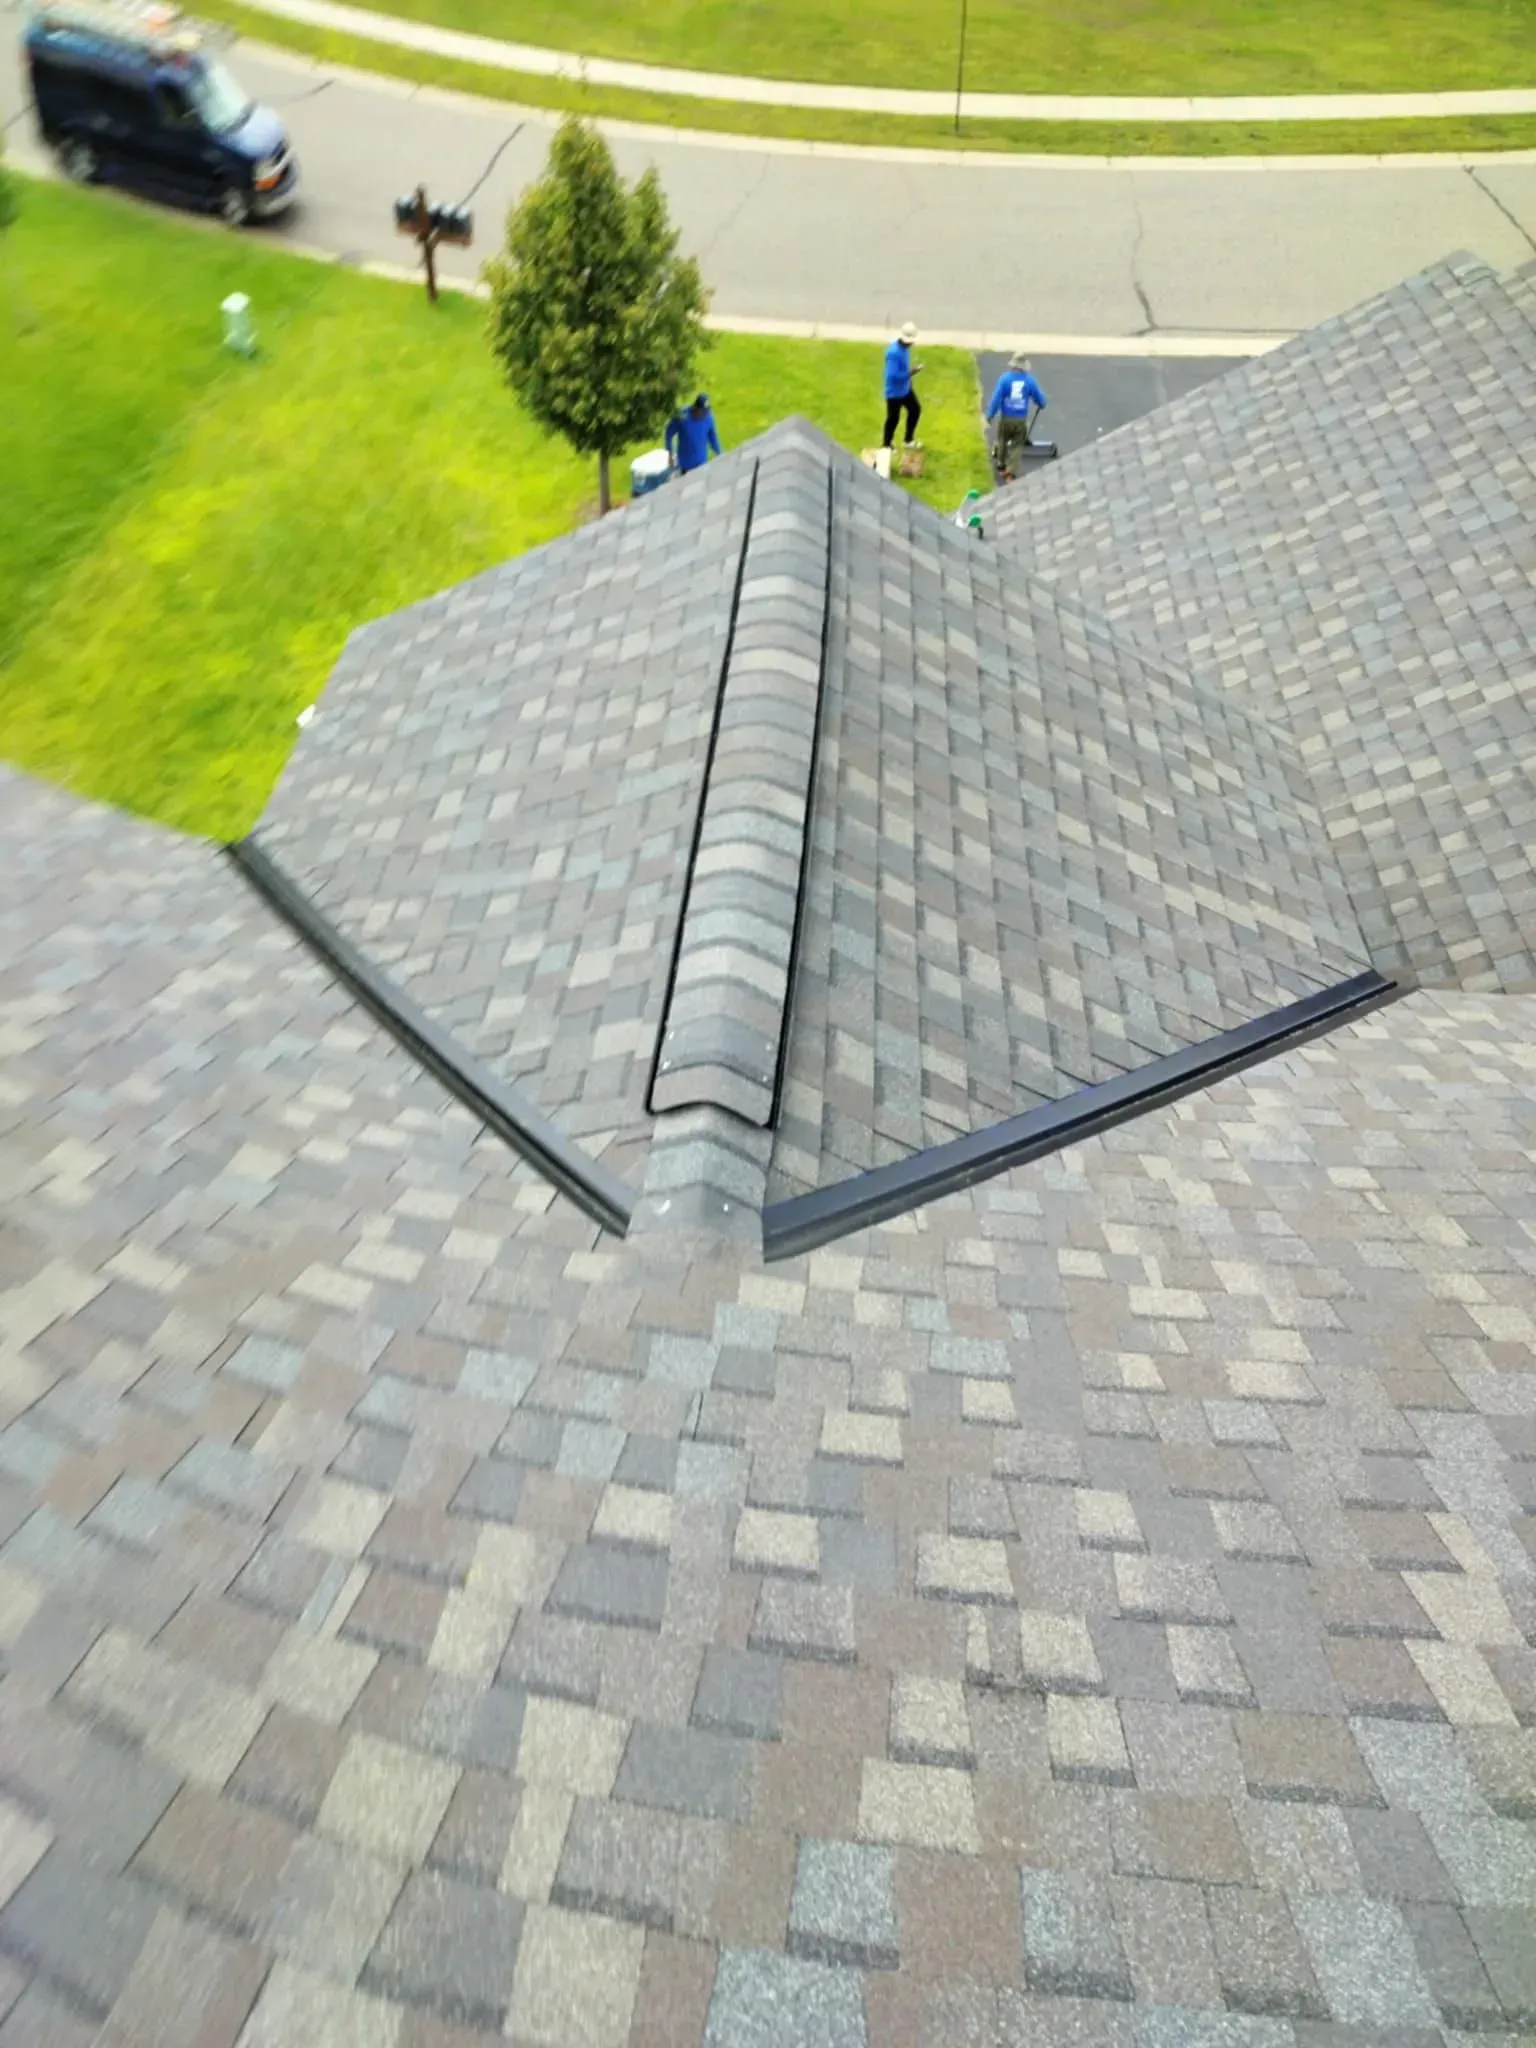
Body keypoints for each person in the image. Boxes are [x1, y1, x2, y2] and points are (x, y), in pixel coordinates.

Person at [985, 352, 1048, 480]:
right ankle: (1011, 470)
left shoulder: (1005, 379)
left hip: (1006, 418)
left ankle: (1001, 463)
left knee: (1002, 439)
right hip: (1020, 420)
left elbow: (996, 399)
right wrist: (1041, 403)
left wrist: (989, 415)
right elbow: (1040, 399)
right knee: (1017, 445)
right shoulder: (1029, 380)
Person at [882, 322, 922, 450]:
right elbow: (892, 377)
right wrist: (911, 372)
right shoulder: (893, 353)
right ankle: (887, 445)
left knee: (915, 410)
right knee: (893, 419)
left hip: (905, 389)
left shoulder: (904, 349)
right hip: (894, 393)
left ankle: (908, 440)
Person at [666, 393, 722, 475]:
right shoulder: (682, 416)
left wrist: (720, 454)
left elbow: (713, 438)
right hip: (685, 468)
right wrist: (670, 454)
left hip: (702, 464)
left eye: (706, 411)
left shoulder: (709, 418)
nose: (704, 414)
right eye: (702, 411)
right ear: (695, 408)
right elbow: (668, 433)